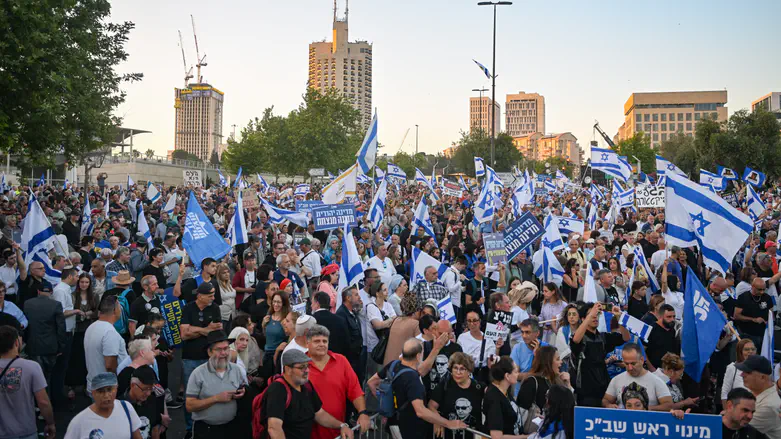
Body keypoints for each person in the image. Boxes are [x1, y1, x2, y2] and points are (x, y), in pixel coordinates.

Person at [368, 338, 467, 439]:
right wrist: (448, 423)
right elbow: (420, 411)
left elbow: (371, 382)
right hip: (409, 429)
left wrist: (386, 403)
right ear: (418, 355)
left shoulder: (393, 365)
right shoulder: (413, 380)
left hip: (393, 423)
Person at [263, 349, 355, 439]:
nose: (306, 370)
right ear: (288, 369)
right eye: (301, 367)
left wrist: (342, 425)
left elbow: (319, 414)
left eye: (307, 366)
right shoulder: (278, 390)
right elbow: (274, 428)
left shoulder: (306, 386)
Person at [306, 324, 371, 439]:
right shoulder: (300, 365)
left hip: (338, 431)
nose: (321, 344)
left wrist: (362, 413)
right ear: (307, 344)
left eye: (324, 341)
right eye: (317, 341)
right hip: (307, 433)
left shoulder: (341, 361)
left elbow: (355, 390)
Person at [185, 330, 249, 438]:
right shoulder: (198, 373)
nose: (224, 353)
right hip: (206, 431)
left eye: (226, 348)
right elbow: (189, 406)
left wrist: (243, 392)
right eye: (219, 349)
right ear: (209, 352)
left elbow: (244, 388)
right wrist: (215, 399)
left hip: (231, 428)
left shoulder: (236, 370)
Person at [180, 282, 223, 436]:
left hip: (209, 359)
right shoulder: (188, 308)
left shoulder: (215, 308)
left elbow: (216, 332)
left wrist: (195, 330)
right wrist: (206, 330)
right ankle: (189, 428)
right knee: (191, 395)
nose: (213, 297)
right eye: (210, 295)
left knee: (210, 391)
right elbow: (184, 334)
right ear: (200, 296)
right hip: (190, 358)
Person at [0, 325, 56, 439]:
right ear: (16, 342)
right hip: (25, 431)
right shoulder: (32, 367)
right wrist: (50, 423)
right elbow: (43, 402)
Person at [569, 302, 630, 407]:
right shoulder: (579, 337)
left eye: (597, 314)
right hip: (585, 391)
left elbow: (626, 338)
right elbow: (575, 340)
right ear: (583, 319)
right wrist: (592, 312)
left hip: (604, 389)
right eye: (591, 315)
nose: (594, 317)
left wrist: (619, 318)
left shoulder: (603, 337)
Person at [64, 372, 144, 439]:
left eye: (109, 390)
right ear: (93, 393)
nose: (106, 395)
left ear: (116, 389)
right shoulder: (79, 422)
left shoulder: (126, 408)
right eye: (100, 391)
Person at [428, 352, 484, 439]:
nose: (458, 372)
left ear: (469, 371)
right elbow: (431, 405)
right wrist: (438, 421)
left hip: (471, 435)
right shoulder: (445, 384)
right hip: (448, 434)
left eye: (462, 369)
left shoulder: (478, 388)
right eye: (455, 368)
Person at [516, 346, 571, 433]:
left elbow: (570, 406)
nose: (561, 362)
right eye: (557, 359)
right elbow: (521, 414)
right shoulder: (531, 382)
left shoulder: (557, 381)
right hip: (535, 434)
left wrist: (568, 384)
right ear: (547, 362)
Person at [602, 343, 672, 411]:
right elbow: (606, 400)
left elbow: (669, 405)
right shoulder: (616, 379)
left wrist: (647, 408)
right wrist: (608, 405)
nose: (630, 368)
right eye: (626, 364)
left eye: (633, 363)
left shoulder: (656, 381)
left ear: (641, 360)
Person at [22, 282, 66, 388]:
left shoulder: (28, 304)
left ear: (38, 291)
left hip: (33, 346)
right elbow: (61, 328)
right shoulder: (56, 305)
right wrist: (61, 347)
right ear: (51, 292)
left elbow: (25, 326)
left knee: (35, 379)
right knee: (47, 378)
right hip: (50, 347)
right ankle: (48, 402)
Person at [67, 273, 99, 391]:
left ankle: (87, 384)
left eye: (86, 282)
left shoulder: (94, 295)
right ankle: (72, 385)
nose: (84, 284)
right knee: (76, 357)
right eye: (82, 282)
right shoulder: (73, 295)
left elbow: (97, 312)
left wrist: (87, 314)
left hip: (89, 330)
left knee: (89, 358)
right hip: (77, 330)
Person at [736, 355, 781, 437]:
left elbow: (737, 427)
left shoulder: (768, 406)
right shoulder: (753, 389)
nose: (742, 374)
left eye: (748, 372)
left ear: (763, 377)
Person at [119, 365, 166, 439]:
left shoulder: (152, 399)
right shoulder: (120, 406)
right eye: (145, 389)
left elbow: (155, 429)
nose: (148, 393)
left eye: (151, 389)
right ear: (133, 385)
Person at [482, 355, 524, 437]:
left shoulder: (504, 389)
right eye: (515, 372)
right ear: (507, 376)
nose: (517, 374)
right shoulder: (494, 398)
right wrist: (525, 437)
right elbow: (497, 436)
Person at [458, 310, 500, 385]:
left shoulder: (488, 339)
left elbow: (491, 363)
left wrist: (497, 348)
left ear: (479, 321)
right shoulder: (462, 338)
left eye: (475, 321)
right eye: (469, 321)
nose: (472, 324)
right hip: (465, 374)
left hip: (481, 375)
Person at [734, 278, 775, 350]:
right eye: (759, 289)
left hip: (764, 334)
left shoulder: (767, 297)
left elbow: (771, 314)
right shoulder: (743, 297)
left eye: (764, 289)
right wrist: (753, 319)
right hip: (748, 333)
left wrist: (769, 322)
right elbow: (736, 316)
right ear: (752, 287)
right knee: (749, 356)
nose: (762, 292)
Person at [311, 291, 350, 358]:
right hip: (338, 359)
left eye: (312, 303)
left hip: (319, 361)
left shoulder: (311, 321)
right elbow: (347, 343)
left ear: (317, 304)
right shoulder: (340, 320)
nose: (311, 305)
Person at [336, 286, 364, 375]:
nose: (359, 297)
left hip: (357, 357)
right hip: (350, 360)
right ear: (348, 298)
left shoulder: (352, 312)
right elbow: (344, 340)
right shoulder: (341, 314)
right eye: (356, 295)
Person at [510, 318, 546, 388]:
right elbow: (515, 375)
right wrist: (536, 374)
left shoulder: (546, 348)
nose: (524, 336)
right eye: (522, 332)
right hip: (520, 391)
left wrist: (536, 355)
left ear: (537, 333)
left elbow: (546, 374)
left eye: (527, 332)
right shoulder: (517, 348)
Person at [643, 304, 680, 371]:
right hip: (654, 370)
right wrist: (651, 367)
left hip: (669, 370)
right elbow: (642, 350)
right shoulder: (650, 329)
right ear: (660, 317)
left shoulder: (672, 330)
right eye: (669, 317)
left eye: (674, 316)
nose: (672, 319)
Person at [722, 339, 757, 408]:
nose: (750, 352)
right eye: (746, 349)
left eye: (753, 349)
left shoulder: (760, 368)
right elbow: (725, 393)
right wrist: (726, 411)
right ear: (740, 352)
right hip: (736, 410)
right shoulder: (732, 367)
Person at [262, 291, 290, 377]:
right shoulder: (268, 317)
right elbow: (266, 336)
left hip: (278, 355)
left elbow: (289, 337)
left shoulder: (286, 320)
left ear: (284, 304)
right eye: (274, 301)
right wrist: (263, 325)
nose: (275, 304)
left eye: (278, 302)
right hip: (266, 354)